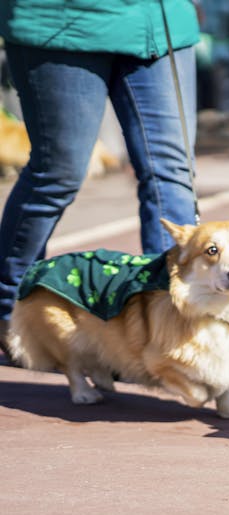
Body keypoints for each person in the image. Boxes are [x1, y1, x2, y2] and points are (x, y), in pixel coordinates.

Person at [0, 0, 200, 358]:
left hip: (159, 22)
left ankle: (168, 322)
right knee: (57, 174)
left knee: (171, 171)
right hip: (58, 23)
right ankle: (9, 309)